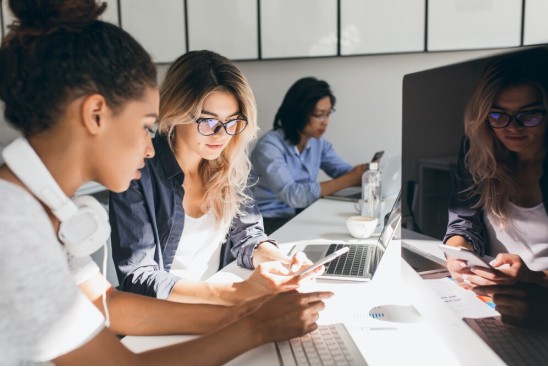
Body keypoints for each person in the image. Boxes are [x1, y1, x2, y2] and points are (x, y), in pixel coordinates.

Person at [0, 1, 331, 364]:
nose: (149, 147)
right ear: (95, 114)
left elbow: (109, 305)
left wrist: (238, 314)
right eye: (146, 126)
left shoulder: (43, 209)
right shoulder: (12, 224)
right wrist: (253, 328)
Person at [109, 50, 320, 305]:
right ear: (177, 112)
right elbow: (138, 276)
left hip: (222, 304)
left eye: (232, 122)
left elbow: (248, 237)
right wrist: (233, 294)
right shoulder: (137, 172)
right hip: (168, 314)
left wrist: (286, 263)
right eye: (209, 122)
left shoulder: (229, 167)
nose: (222, 135)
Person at [443, 49, 548, 327]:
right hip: (492, 302)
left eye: (529, 116)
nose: (511, 128)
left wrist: (535, 279)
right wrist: (458, 255)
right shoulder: (479, 151)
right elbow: (462, 223)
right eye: (498, 115)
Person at [250, 77, 366, 234]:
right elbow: (293, 195)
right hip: (265, 221)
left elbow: (344, 172)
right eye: (319, 115)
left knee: (340, 225)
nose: (325, 122)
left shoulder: (318, 143)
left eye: (328, 114)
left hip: (298, 213)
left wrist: (366, 173)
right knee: (329, 231)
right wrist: (350, 179)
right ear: (299, 113)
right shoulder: (269, 147)